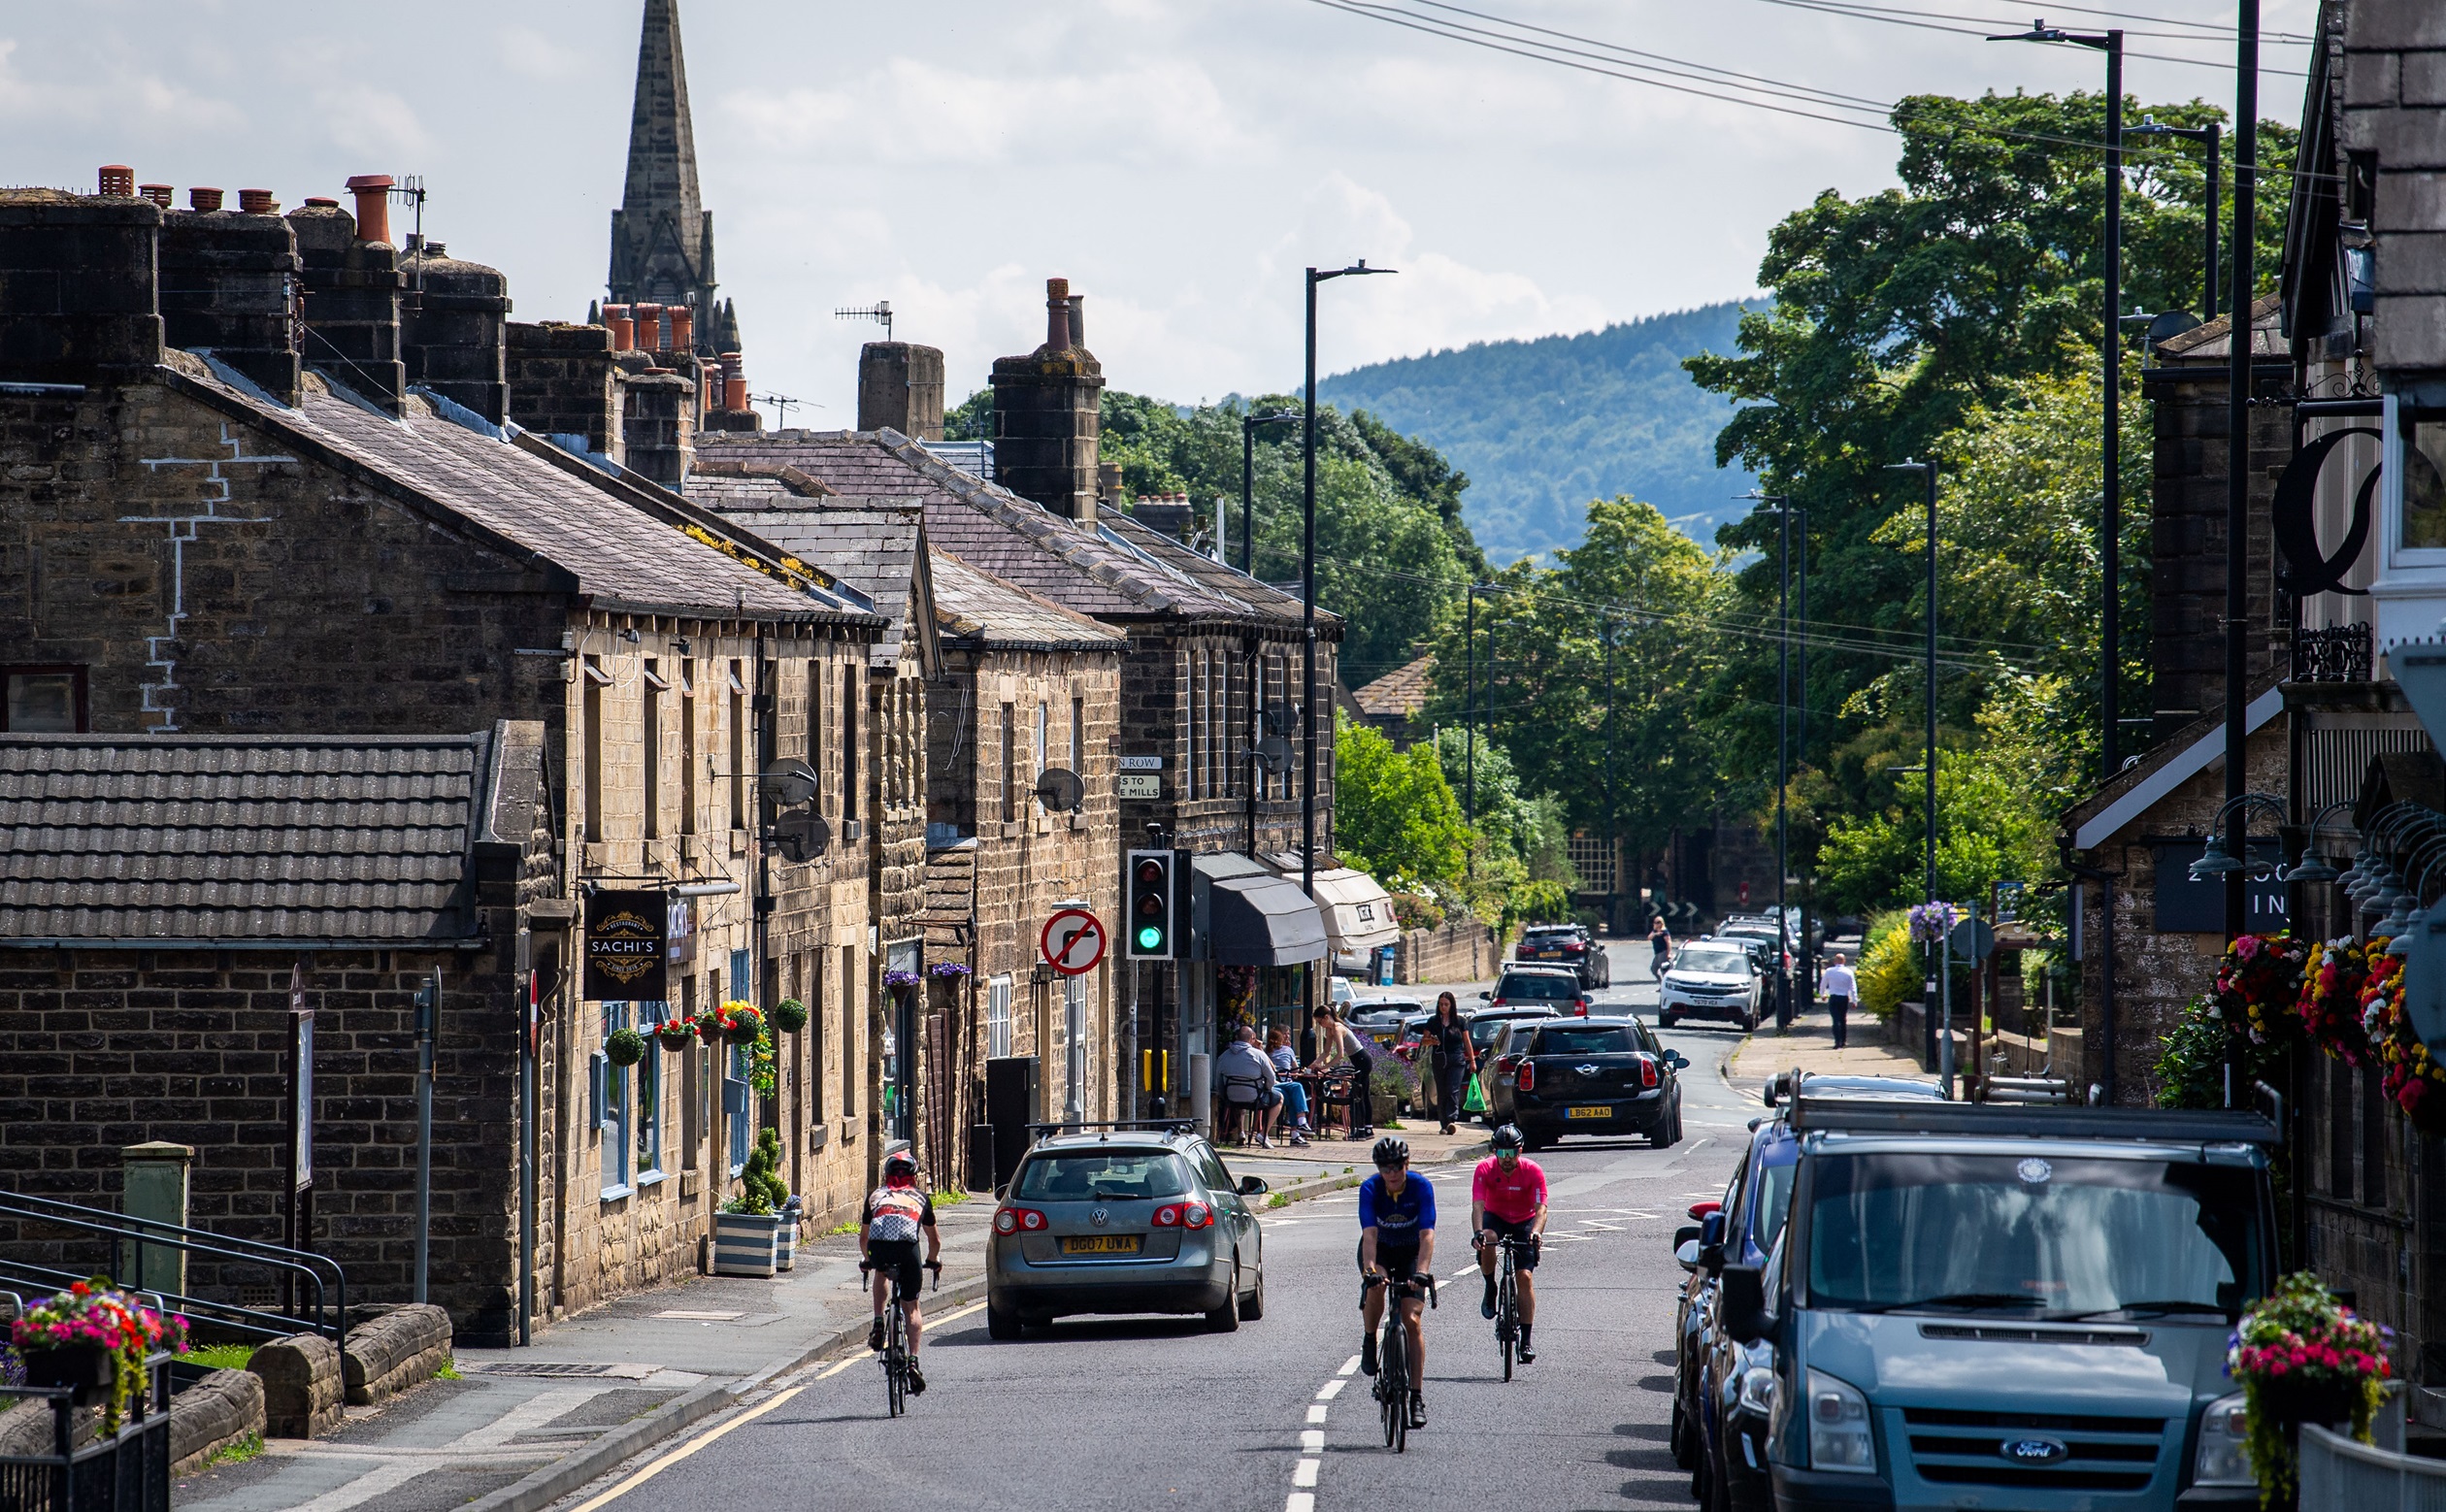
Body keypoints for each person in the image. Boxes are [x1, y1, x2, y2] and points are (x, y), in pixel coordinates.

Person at [1357, 1135, 1437, 1427]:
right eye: (1385, 1167)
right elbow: (1370, 1236)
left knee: (1412, 1320)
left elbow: (1427, 1235)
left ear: (1407, 1164)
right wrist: (1369, 1271)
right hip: (1381, 1251)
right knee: (1377, 1288)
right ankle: (1369, 1338)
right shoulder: (1370, 1188)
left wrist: (1423, 1272)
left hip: (1411, 1253)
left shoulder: (1420, 1187)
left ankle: (1416, 1397)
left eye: (1397, 1166)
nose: (1391, 1173)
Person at [861, 1150, 942, 1395]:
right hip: (908, 1252)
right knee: (912, 1307)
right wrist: (932, 1259)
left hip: (880, 1250)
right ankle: (913, 1361)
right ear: (914, 1178)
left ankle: (878, 1322)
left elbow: (864, 1237)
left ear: (886, 1175)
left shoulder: (875, 1196)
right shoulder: (920, 1197)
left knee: (880, 1272)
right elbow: (934, 1240)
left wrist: (867, 1260)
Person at [1471, 1124, 1549, 1363]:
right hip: (1496, 1218)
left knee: (1524, 1278)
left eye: (1512, 1153)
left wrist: (1536, 1233)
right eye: (1502, 1154)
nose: (1507, 1159)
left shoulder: (1533, 1171)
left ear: (1520, 1151)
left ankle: (1526, 1341)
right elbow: (1478, 1206)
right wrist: (1477, 1233)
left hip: (1524, 1220)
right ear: (1495, 1152)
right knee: (1489, 1238)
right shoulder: (1484, 1169)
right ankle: (1490, 1285)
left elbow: (1541, 1209)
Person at [1308, 1006, 1374, 1139]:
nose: (1320, 1025)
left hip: (1363, 1060)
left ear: (1327, 1017)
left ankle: (1363, 1130)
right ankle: (1367, 1129)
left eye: (1320, 1022)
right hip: (1357, 1060)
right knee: (1363, 1094)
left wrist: (1325, 1067)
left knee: (1359, 1095)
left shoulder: (1338, 1028)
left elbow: (1340, 1054)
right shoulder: (1329, 1030)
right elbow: (1326, 1051)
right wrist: (1315, 1063)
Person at [1418, 991, 1477, 1135]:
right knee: (1442, 1091)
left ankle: (1452, 1119)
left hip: (1456, 1058)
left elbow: (1466, 1041)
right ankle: (1443, 1124)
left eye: (1446, 1004)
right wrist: (1432, 1041)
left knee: (1452, 1089)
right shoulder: (1433, 1021)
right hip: (1439, 1058)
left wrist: (1472, 1060)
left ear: (1451, 1005)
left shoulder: (1460, 1021)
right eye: (1441, 1004)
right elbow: (1424, 1041)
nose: (1443, 1007)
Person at [1214, 1024, 1280, 1147]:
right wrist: (1266, 1089)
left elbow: (1219, 1082)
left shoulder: (1223, 1056)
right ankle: (1263, 1133)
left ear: (1236, 1037)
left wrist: (1225, 1096)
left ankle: (1241, 1132)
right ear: (1252, 1038)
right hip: (1255, 1098)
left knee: (1236, 1096)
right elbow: (1271, 1078)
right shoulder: (1258, 1055)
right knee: (1279, 1098)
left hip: (1231, 1098)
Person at [1266, 1026, 1312, 1146]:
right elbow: (1295, 1072)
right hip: (1278, 1087)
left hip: (1273, 1087)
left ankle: (1296, 1134)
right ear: (1279, 1035)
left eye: (1288, 1034)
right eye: (1285, 1034)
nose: (1287, 1036)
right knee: (1296, 1089)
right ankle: (1298, 1128)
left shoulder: (1265, 1052)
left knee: (1293, 1095)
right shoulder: (1288, 1051)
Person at [1820, 951, 1858, 1050]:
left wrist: (1822, 994)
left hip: (1833, 997)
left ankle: (1837, 1042)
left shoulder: (1829, 971)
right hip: (1844, 998)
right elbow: (1853, 987)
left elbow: (1823, 984)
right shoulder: (1849, 972)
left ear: (1835, 961)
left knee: (1835, 1020)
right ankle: (1843, 1041)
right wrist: (1854, 1000)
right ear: (1844, 961)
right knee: (1843, 1019)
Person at [1649, 915, 1672, 980]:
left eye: (1658, 922)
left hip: (1663, 952)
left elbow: (1669, 942)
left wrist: (1669, 953)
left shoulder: (1664, 932)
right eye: (1655, 922)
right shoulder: (1655, 931)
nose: (1657, 924)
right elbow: (1649, 938)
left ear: (1662, 923)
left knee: (1663, 969)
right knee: (1653, 969)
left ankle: (1667, 985)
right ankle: (1662, 984)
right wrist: (1655, 933)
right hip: (1657, 953)